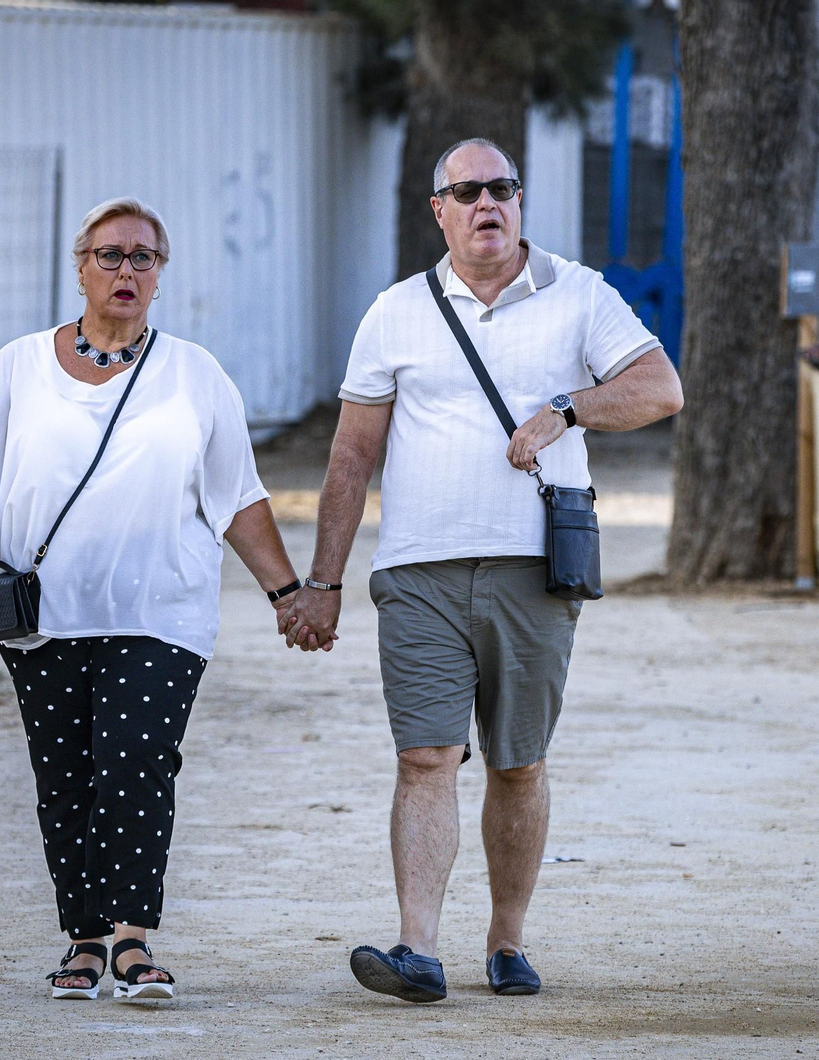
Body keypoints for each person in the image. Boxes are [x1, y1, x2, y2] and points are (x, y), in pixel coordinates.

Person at [285, 139, 684, 1002]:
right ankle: (417, 950)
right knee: (426, 757)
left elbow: (661, 388)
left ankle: (506, 943)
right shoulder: (395, 310)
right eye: (467, 192)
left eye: (501, 187)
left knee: (518, 763)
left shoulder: (578, 293)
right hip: (419, 570)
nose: (487, 203)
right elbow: (352, 456)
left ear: (518, 199)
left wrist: (567, 408)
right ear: (440, 210)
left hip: (535, 567)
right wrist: (323, 581)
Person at [0, 197, 317, 1001]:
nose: (126, 270)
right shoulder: (18, 367)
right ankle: (83, 941)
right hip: (44, 619)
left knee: (134, 765)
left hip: (160, 614)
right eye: (110, 255)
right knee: (64, 777)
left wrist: (287, 593)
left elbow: (238, 497)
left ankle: (131, 940)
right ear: (80, 265)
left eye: (143, 257)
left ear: (161, 276)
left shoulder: (196, 374)